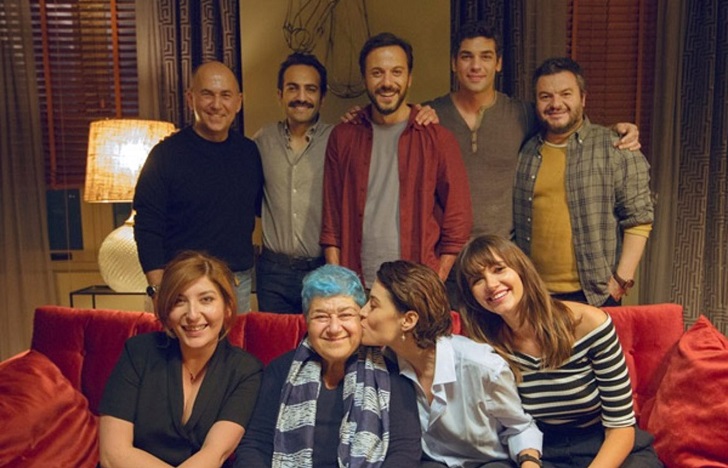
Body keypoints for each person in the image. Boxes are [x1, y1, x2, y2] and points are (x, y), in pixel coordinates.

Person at [455, 234, 663, 468]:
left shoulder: (590, 324)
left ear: (521, 270)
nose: (491, 284)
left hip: (605, 442)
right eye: (477, 280)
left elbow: (621, 426)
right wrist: (529, 461)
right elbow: (512, 425)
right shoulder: (486, 345)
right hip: (539, 449)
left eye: (499, 269)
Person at [320, 32, 472, 289]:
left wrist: (436, 279)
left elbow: (459, 219)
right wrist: (340, 282)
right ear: (365, 79)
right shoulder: (343, 136)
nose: (387, 82)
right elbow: (331, 221)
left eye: (397, 72)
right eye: (377, 73)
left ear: (409, 78)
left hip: (416, 285)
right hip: (356, 284)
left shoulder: (437, 138)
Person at [360, 260, 543, 468]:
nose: (362, 312)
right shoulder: (382, 364)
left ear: (408, 320)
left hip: (489, 462)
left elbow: (520, 427)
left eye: (373, 305)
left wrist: (529, 462)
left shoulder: (483, 367)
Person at [234, 264, 421, 467]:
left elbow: (404, 452)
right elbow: (255, 445)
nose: (333, 328)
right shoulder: (280, 370)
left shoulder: (389, 375)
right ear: (306, 321)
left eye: (345, 315)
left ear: (362, 318)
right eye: (321, 316)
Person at [98, 251, 263, 467]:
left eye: (206, 299)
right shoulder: (138, 353)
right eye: (179, 301)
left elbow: (215, 454)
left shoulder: (245, 371)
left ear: (228, 308)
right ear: (167, 312)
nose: (192, 314)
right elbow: (113, 454)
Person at [513, 57, 653, 307]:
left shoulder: (615, 148)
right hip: (534, 294)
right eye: (545, 97)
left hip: (595, 295)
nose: (556, 104)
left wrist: (621, 280)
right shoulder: (525, 151)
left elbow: (639, 218)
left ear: (583, 98)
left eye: (566, 94)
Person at [134, 61, 263, 313]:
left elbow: (262, 208)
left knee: (235, 341)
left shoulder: (249, 153)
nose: (217, 104)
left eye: (225, 95)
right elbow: (147, 225)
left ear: (238, 102)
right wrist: (157, 288)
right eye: (207, 94)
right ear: (190, 99)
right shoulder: (165, 155)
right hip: (182, 282)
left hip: (236, 282)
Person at [254, 53, 329, 313]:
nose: (301, 97)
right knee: (273, 337)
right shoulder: (262, 140)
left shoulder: (337, 140)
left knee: (321, 337)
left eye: (311, 89)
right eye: (293, 88)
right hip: (273, 272)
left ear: (322, 97)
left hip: (321, 268)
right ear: (280, 94)